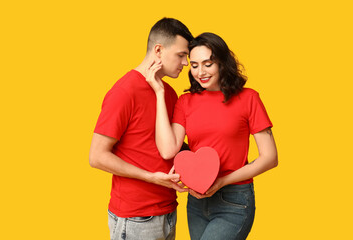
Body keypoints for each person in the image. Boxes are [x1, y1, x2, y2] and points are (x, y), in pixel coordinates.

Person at [146, 32, 278, 240]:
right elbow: (168, 149)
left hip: (234, 200)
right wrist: (159, 93)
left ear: (223, 63)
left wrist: (222, 181)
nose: (200, 72)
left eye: (208, 64)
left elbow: (270, 158)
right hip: (197, 201)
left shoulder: (248, 98)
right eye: (195, 65)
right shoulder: (185, 102)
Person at [89, 17, 193, 240]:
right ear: (158, 50)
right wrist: (151, 177)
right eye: (181, 55)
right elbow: (97, 156)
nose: (185, 63)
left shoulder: (169, 93)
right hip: (136, 219)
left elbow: (168, 148)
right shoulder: (124, 91)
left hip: (168, 211)